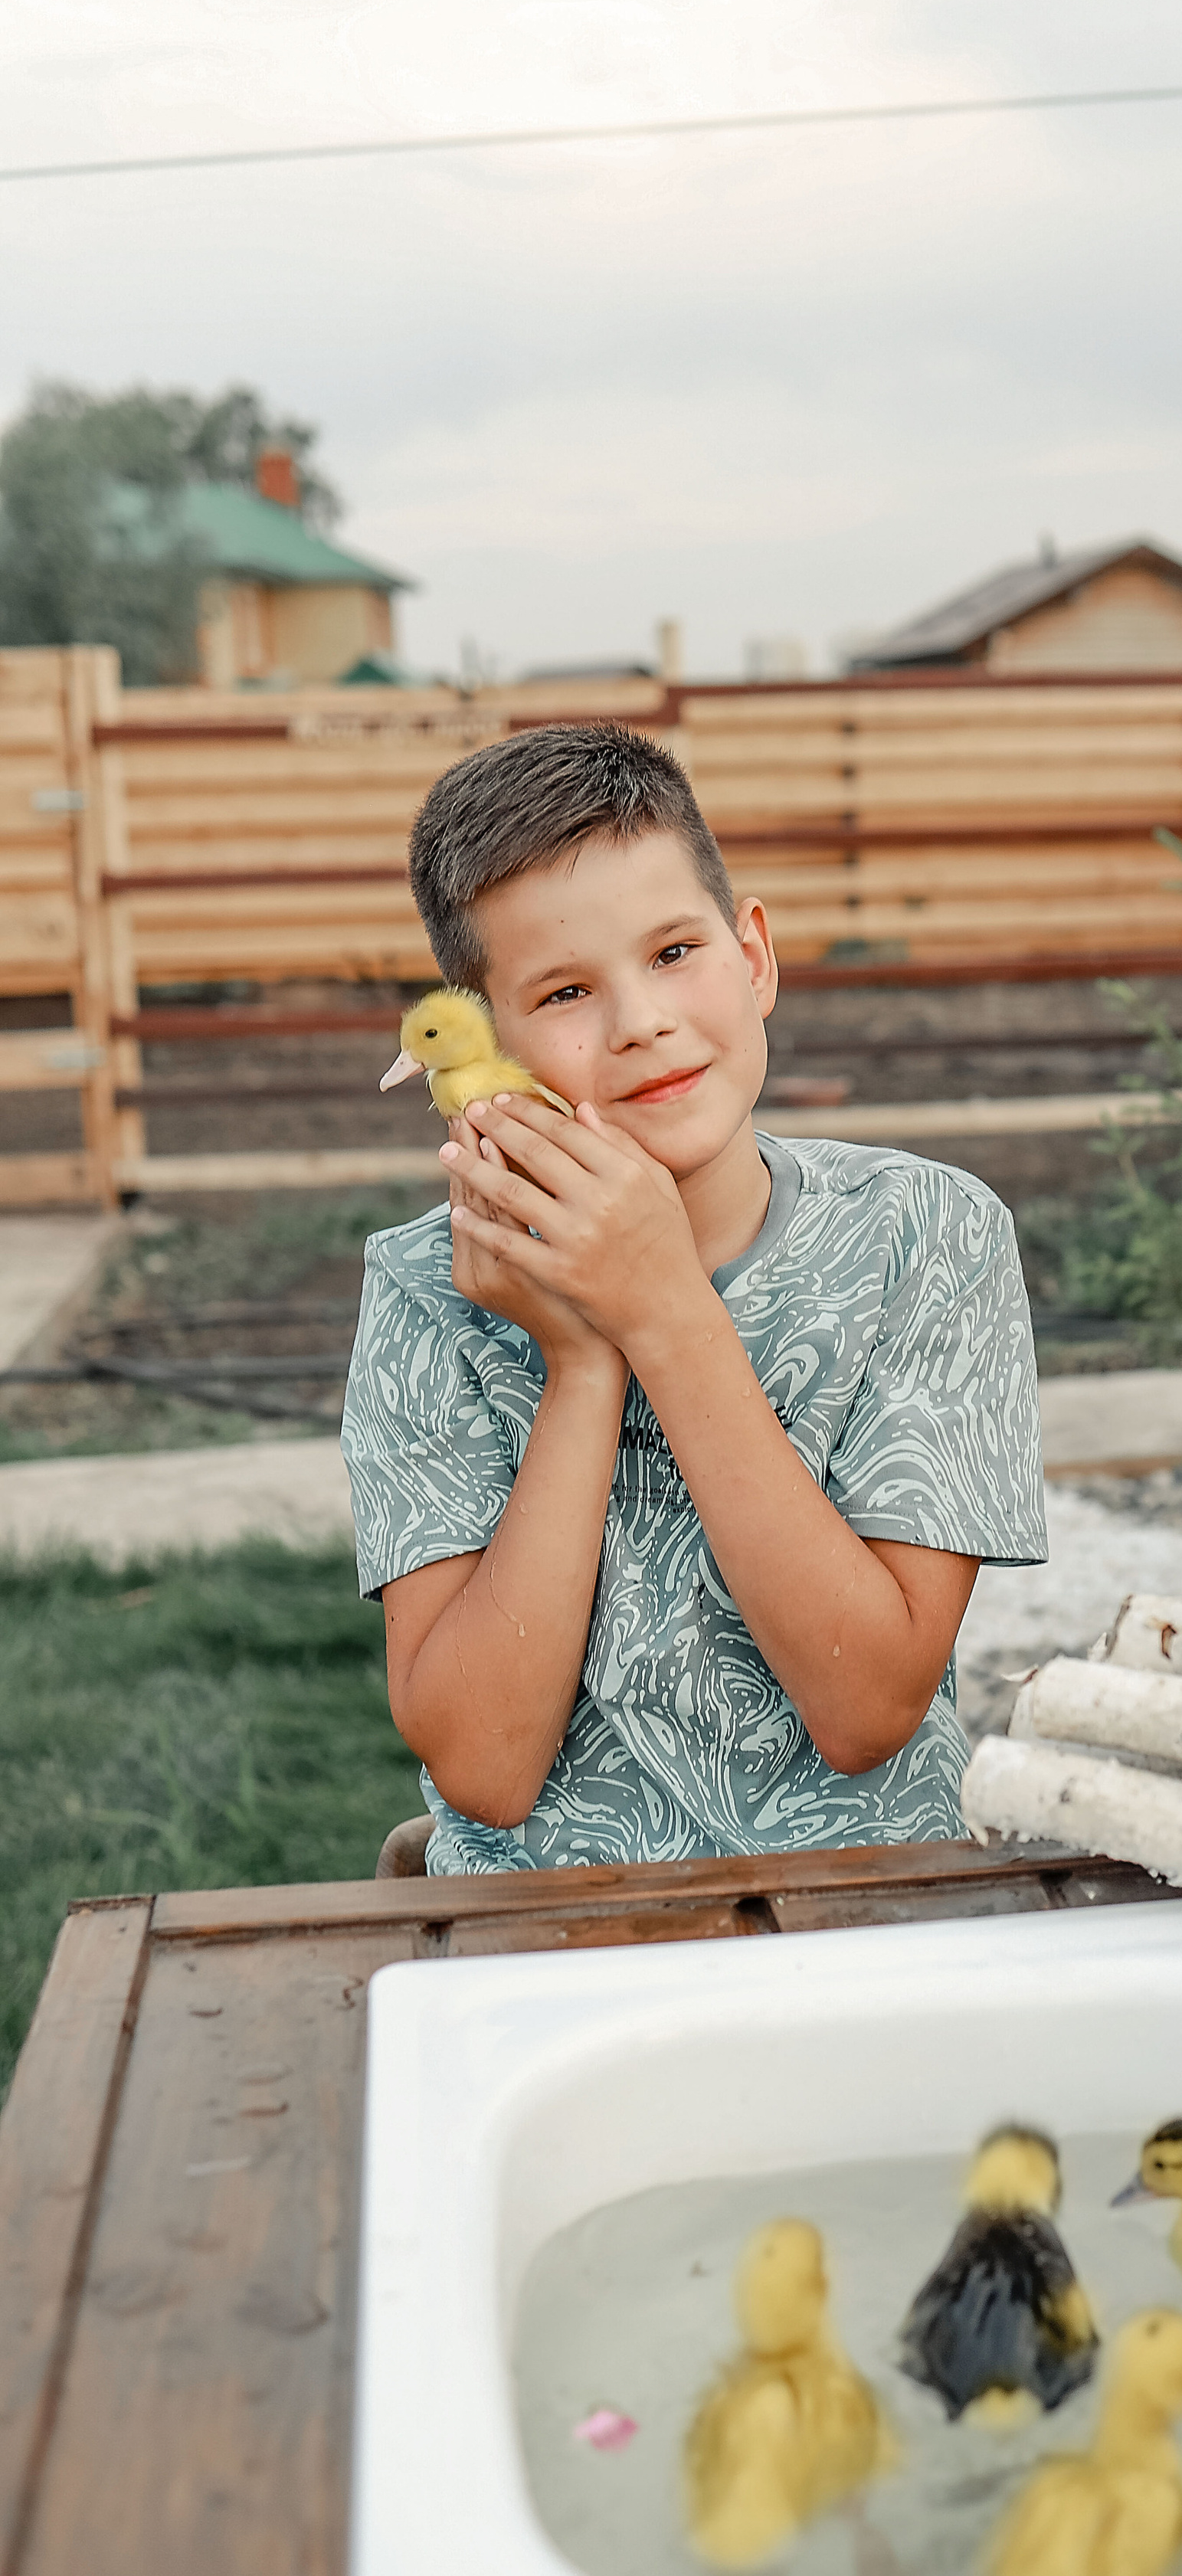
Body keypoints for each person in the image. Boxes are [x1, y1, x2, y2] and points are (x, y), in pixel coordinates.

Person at [341, 720, 1046, 1874]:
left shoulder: (930, 1235)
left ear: (754, 956)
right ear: (488, 1040)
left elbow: (866, 1709)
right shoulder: (429, 1290)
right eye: (566, 990)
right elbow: (485, 1767)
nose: (640, 1022)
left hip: (868, 1927)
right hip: (544, 1947)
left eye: (674, 953)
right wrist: (580, 1361)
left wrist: (662, 1307)